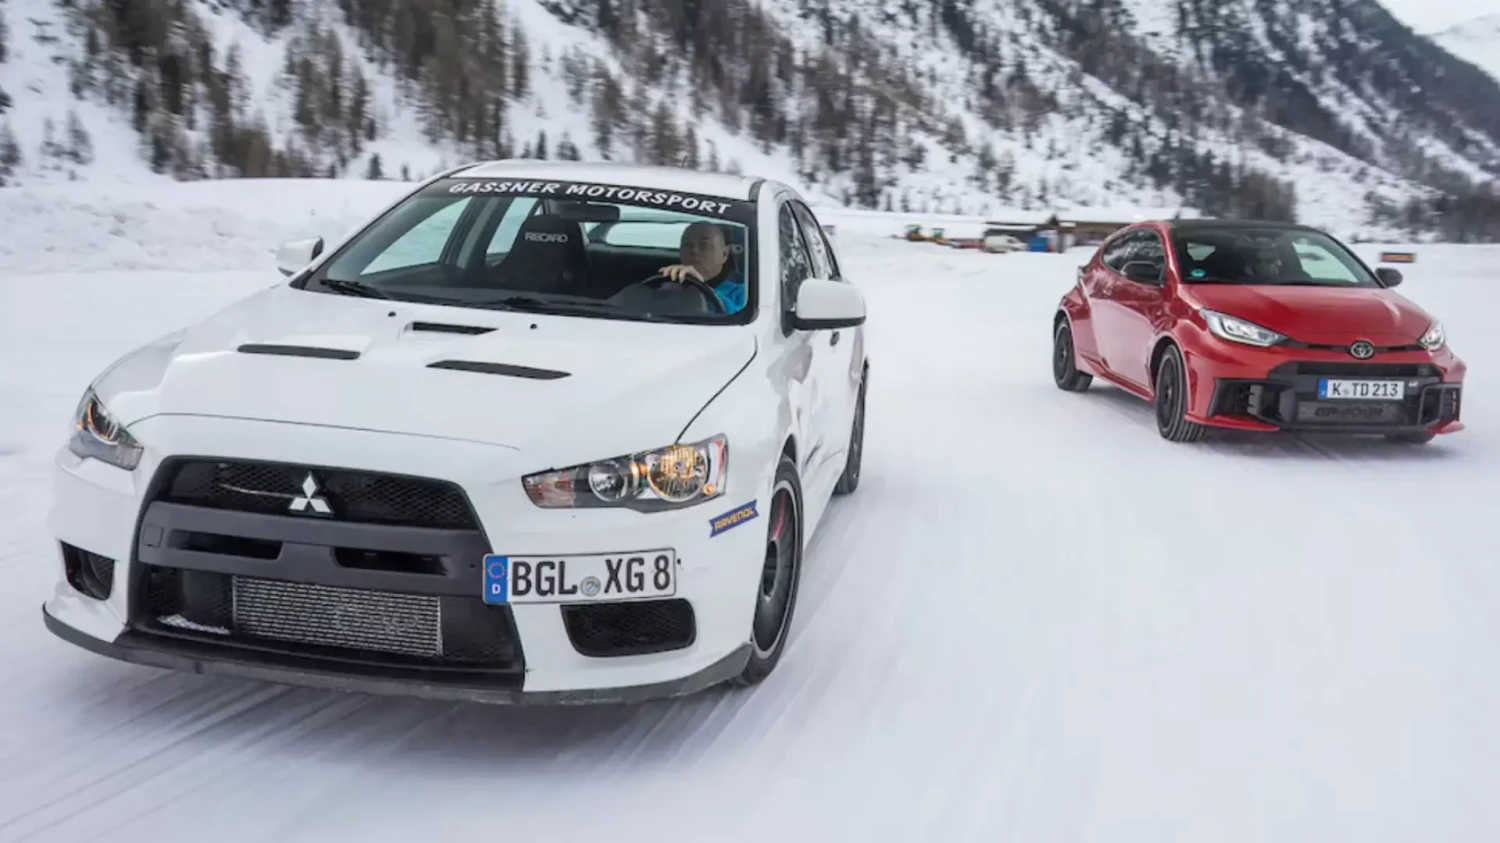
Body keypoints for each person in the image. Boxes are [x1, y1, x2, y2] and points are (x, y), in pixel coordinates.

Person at [657, 221, 747, 315]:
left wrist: (702, 287)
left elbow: (740, 319)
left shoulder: (744, 292)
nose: (694, 250)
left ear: (724, 254)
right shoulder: (667, 283)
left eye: (705, 245)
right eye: (687, 244)